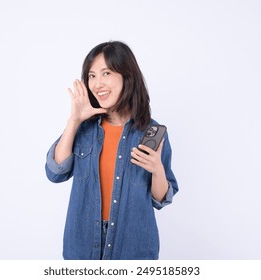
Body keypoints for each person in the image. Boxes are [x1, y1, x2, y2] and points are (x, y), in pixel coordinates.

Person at [45, 41, 178, 260]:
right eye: (92, 76)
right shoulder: (83, 129)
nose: (97, 84)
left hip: (133, 249)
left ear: (127, 76)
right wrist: (74, 120)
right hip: (82, 247)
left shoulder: (152, 132)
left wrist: (157, 170)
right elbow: (55, 172)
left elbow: (160, 199)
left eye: (106, 73)